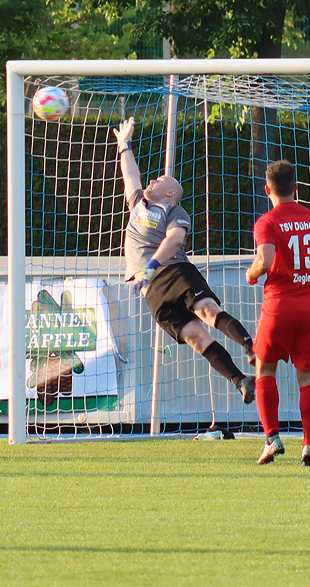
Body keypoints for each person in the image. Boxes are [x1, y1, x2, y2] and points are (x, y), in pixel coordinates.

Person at [112, 118, 257, 410]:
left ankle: (251, 345)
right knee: (196, 338)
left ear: (170, 192)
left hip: (172, 272)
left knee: (208, 312)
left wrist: (151, 264)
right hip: (150, 290)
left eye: (160, 180)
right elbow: (131, 176)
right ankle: (242, 380)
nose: (152, 181)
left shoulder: (174, 210)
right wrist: (124, 144)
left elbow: (175, 240)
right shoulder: (139, 204)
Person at [245, 160, 310, 467]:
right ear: (297, 188)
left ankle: (272, 438)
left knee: (264, 369)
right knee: (307, 376)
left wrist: (252, 274)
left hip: (278, 306)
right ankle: (309, 447)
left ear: (267, 190)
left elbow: (264, 260)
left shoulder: (267, 221)